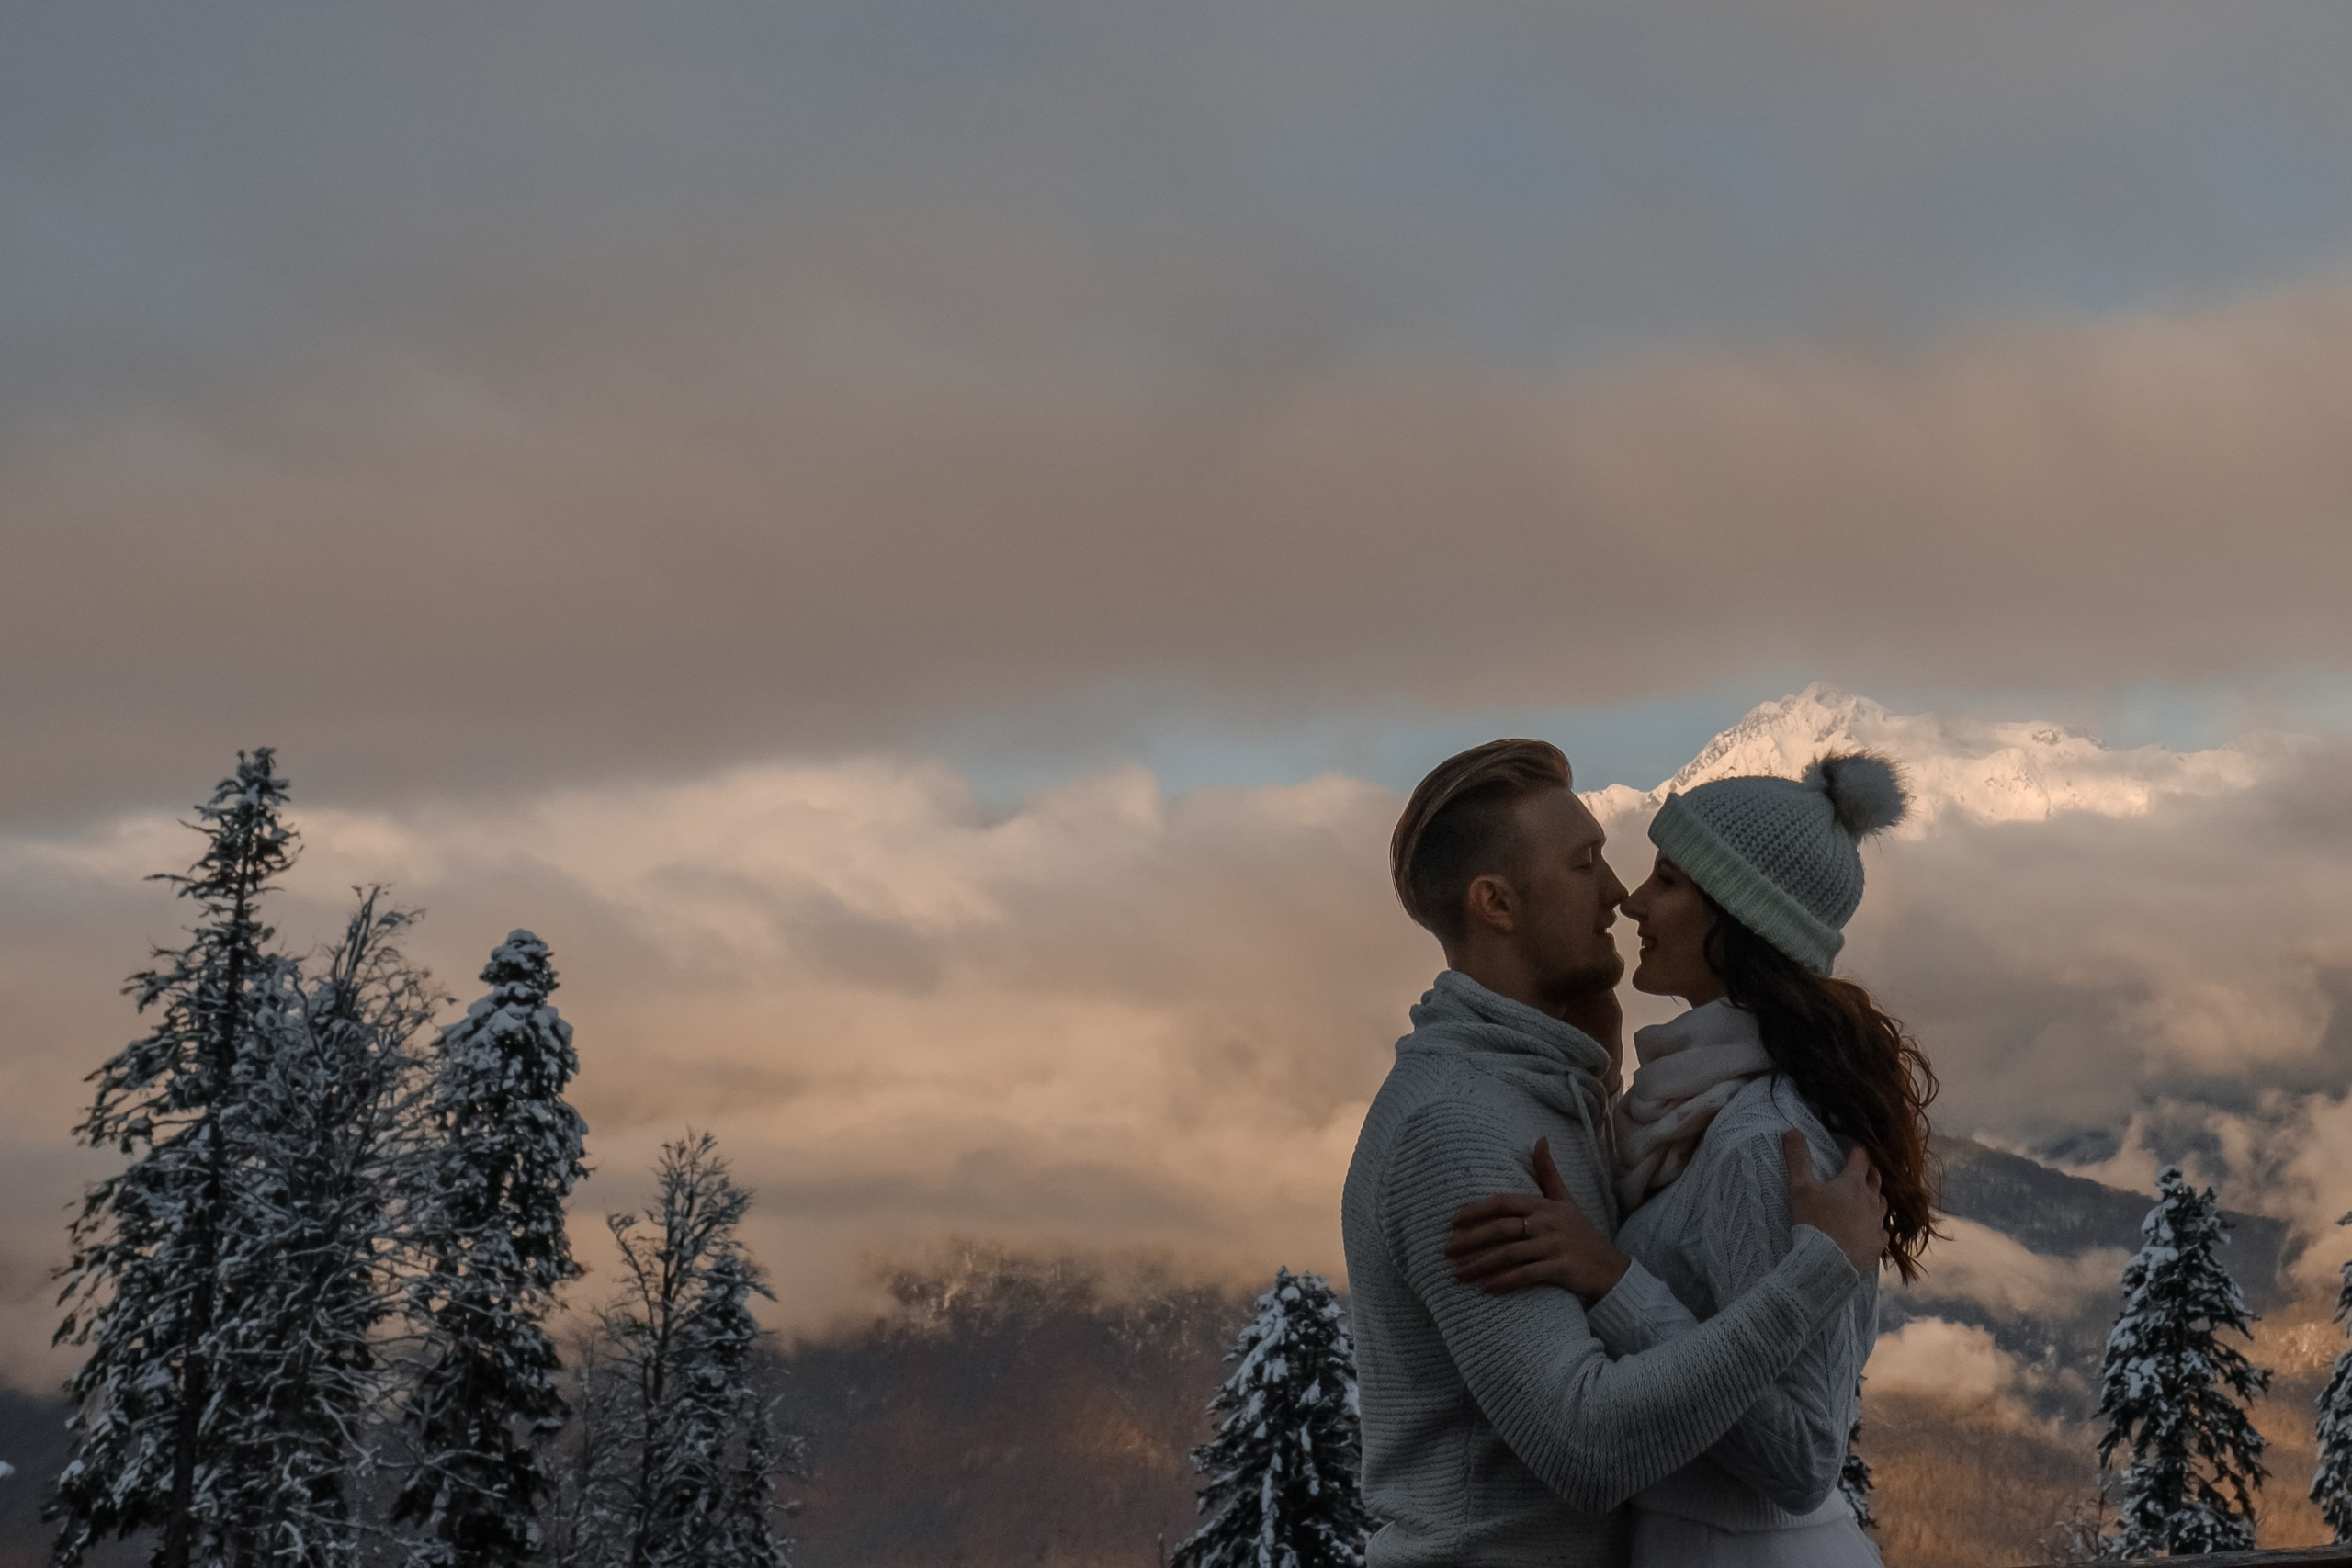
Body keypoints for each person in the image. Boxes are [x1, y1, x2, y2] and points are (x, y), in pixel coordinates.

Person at [1341, 740, 1888, 1568]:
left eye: (1653, 874)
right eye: (1586, 861)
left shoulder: (1577, 1098)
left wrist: (1588, 1068)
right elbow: (1588, 1445)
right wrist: (1815, 1272)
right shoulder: (1453, 1124)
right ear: (1496, 903)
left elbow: (1795, 1439)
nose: (1619, 893)